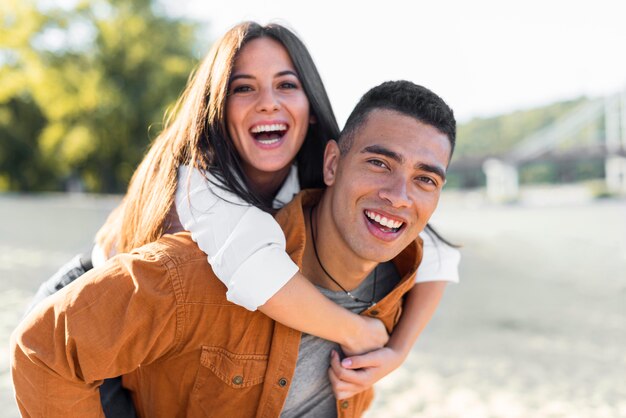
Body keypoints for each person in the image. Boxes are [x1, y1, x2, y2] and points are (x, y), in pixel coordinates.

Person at [26, 21, 459, 415]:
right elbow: (255, 271)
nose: (268, 103)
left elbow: (435, 251)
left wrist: (397, 351)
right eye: (243, 88)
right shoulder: (199, 182)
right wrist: (358, 332)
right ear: (218, 104)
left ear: (309, 106)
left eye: (286, 85)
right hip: (94, 293)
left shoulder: (325, 168)